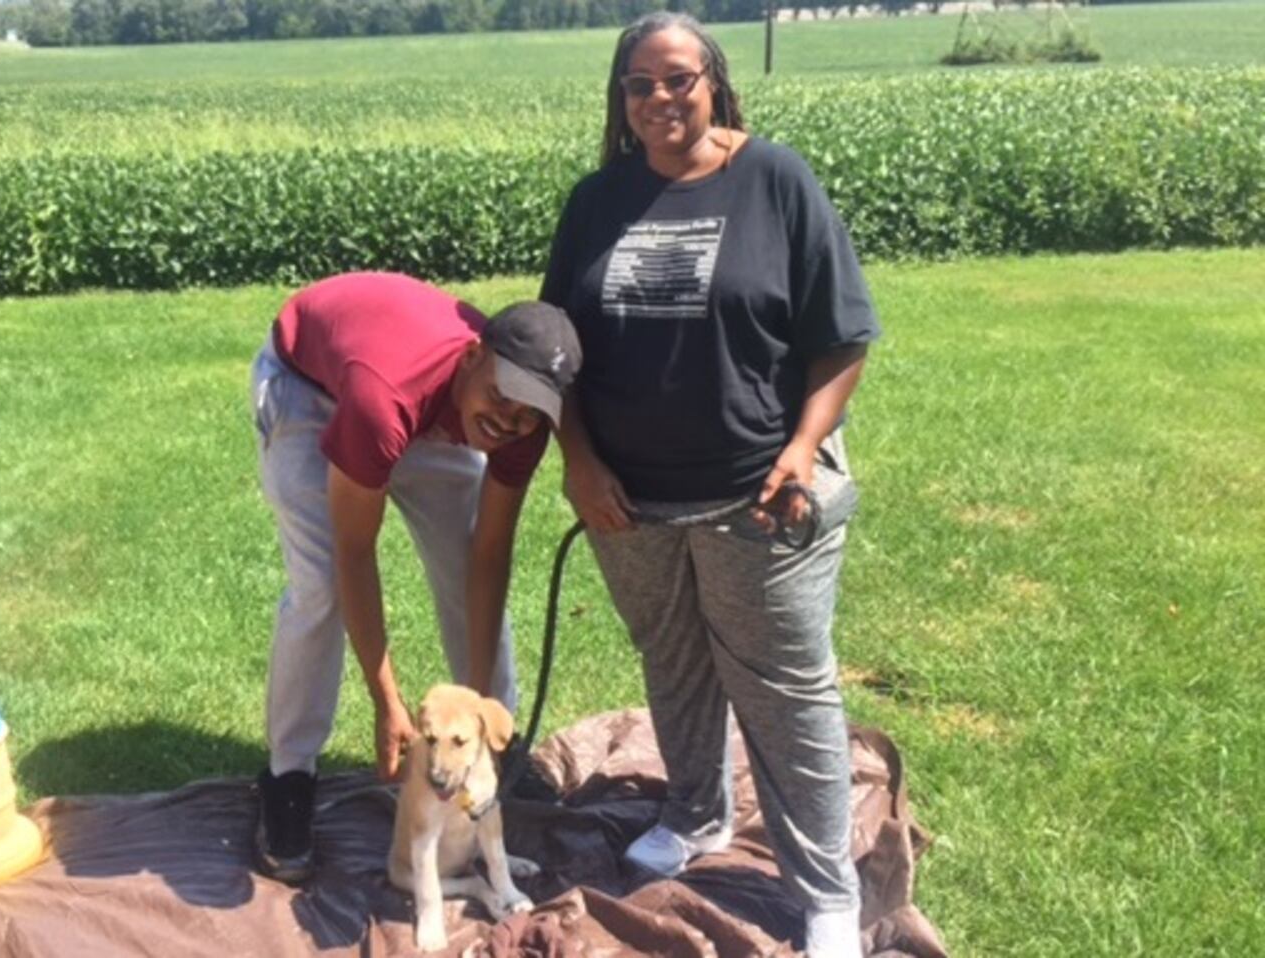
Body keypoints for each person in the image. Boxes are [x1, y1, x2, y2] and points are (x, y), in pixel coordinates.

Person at [540, 14, 880, 958]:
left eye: (679, 80)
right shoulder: (596, 201)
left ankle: (825, 893)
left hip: (759, 498)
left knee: (783, 690)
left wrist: (804, 447)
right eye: (639, 85)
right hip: (627, 500)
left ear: (715, 83)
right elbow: (559, 352)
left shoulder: (776, 181)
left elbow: (842, 336)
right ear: (621, 98)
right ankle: (696, 814)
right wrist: (580, 462)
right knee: (674, 661)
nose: (660, 100)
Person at [250, 271, 581, 884]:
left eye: (530, 411)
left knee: (460, 564)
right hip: (310, 382)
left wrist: (477, 716)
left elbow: (487, 559)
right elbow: (356, 552)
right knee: (321, 582)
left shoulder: (520, 420)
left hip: (431, 404)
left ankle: (495, 754)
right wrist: (388, 703)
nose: (510, 420)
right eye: (503, 396)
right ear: (474, 355)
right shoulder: (384, 400)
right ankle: (288, 773)